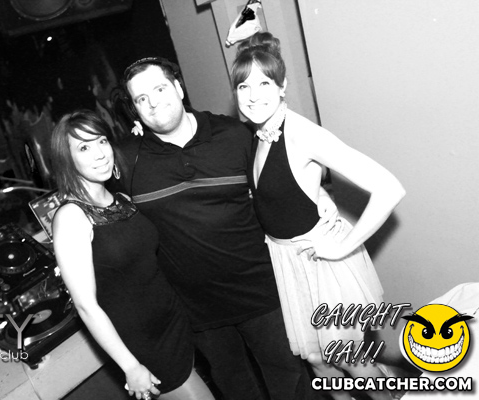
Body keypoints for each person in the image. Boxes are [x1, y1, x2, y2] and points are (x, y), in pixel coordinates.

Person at [120, 57, 341, 400]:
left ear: (178, 88)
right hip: (197, 308)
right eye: (141, 98)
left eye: (160, 89)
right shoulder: (125, 158)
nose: (152, 103)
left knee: (290, 381)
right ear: (134, 109)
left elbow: (279, 173)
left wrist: (319, 192)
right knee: (235, 386)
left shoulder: (234, 134)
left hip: (262, 291)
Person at [231, 32, 406, 400]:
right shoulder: (258, 133)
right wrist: (319, 193)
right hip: (289, 263)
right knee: (318, 362)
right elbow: (286, 185)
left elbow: (389, 188)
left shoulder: (302, 133)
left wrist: (343, 247)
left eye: (264, 83)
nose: (252, 95)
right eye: (243, 86)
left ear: (282, 87)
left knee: (348, 359)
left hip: (321, 263)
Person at [50, 110, 214, 400]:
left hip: (173, 323)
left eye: (102, 141)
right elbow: (86, 306)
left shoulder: (122, 200)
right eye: (84, 148)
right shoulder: (71, 217)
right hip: (143, 343)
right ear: (67, 160)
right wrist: (130, 366)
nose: (99, 154)